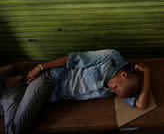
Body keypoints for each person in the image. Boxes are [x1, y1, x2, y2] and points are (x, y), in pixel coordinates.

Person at [0, 49, 151, 134]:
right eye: (116, 88)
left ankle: (12, 93)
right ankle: (12, 91)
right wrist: (40, 68)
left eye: (116, 93)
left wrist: (147, 73)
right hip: (50, 80)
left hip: (51, 97)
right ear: (123, 75)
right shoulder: (110, 57)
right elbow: (73, 58)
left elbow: (141, 104)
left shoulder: (128, 86)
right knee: (16, 130)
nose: (112, 91)